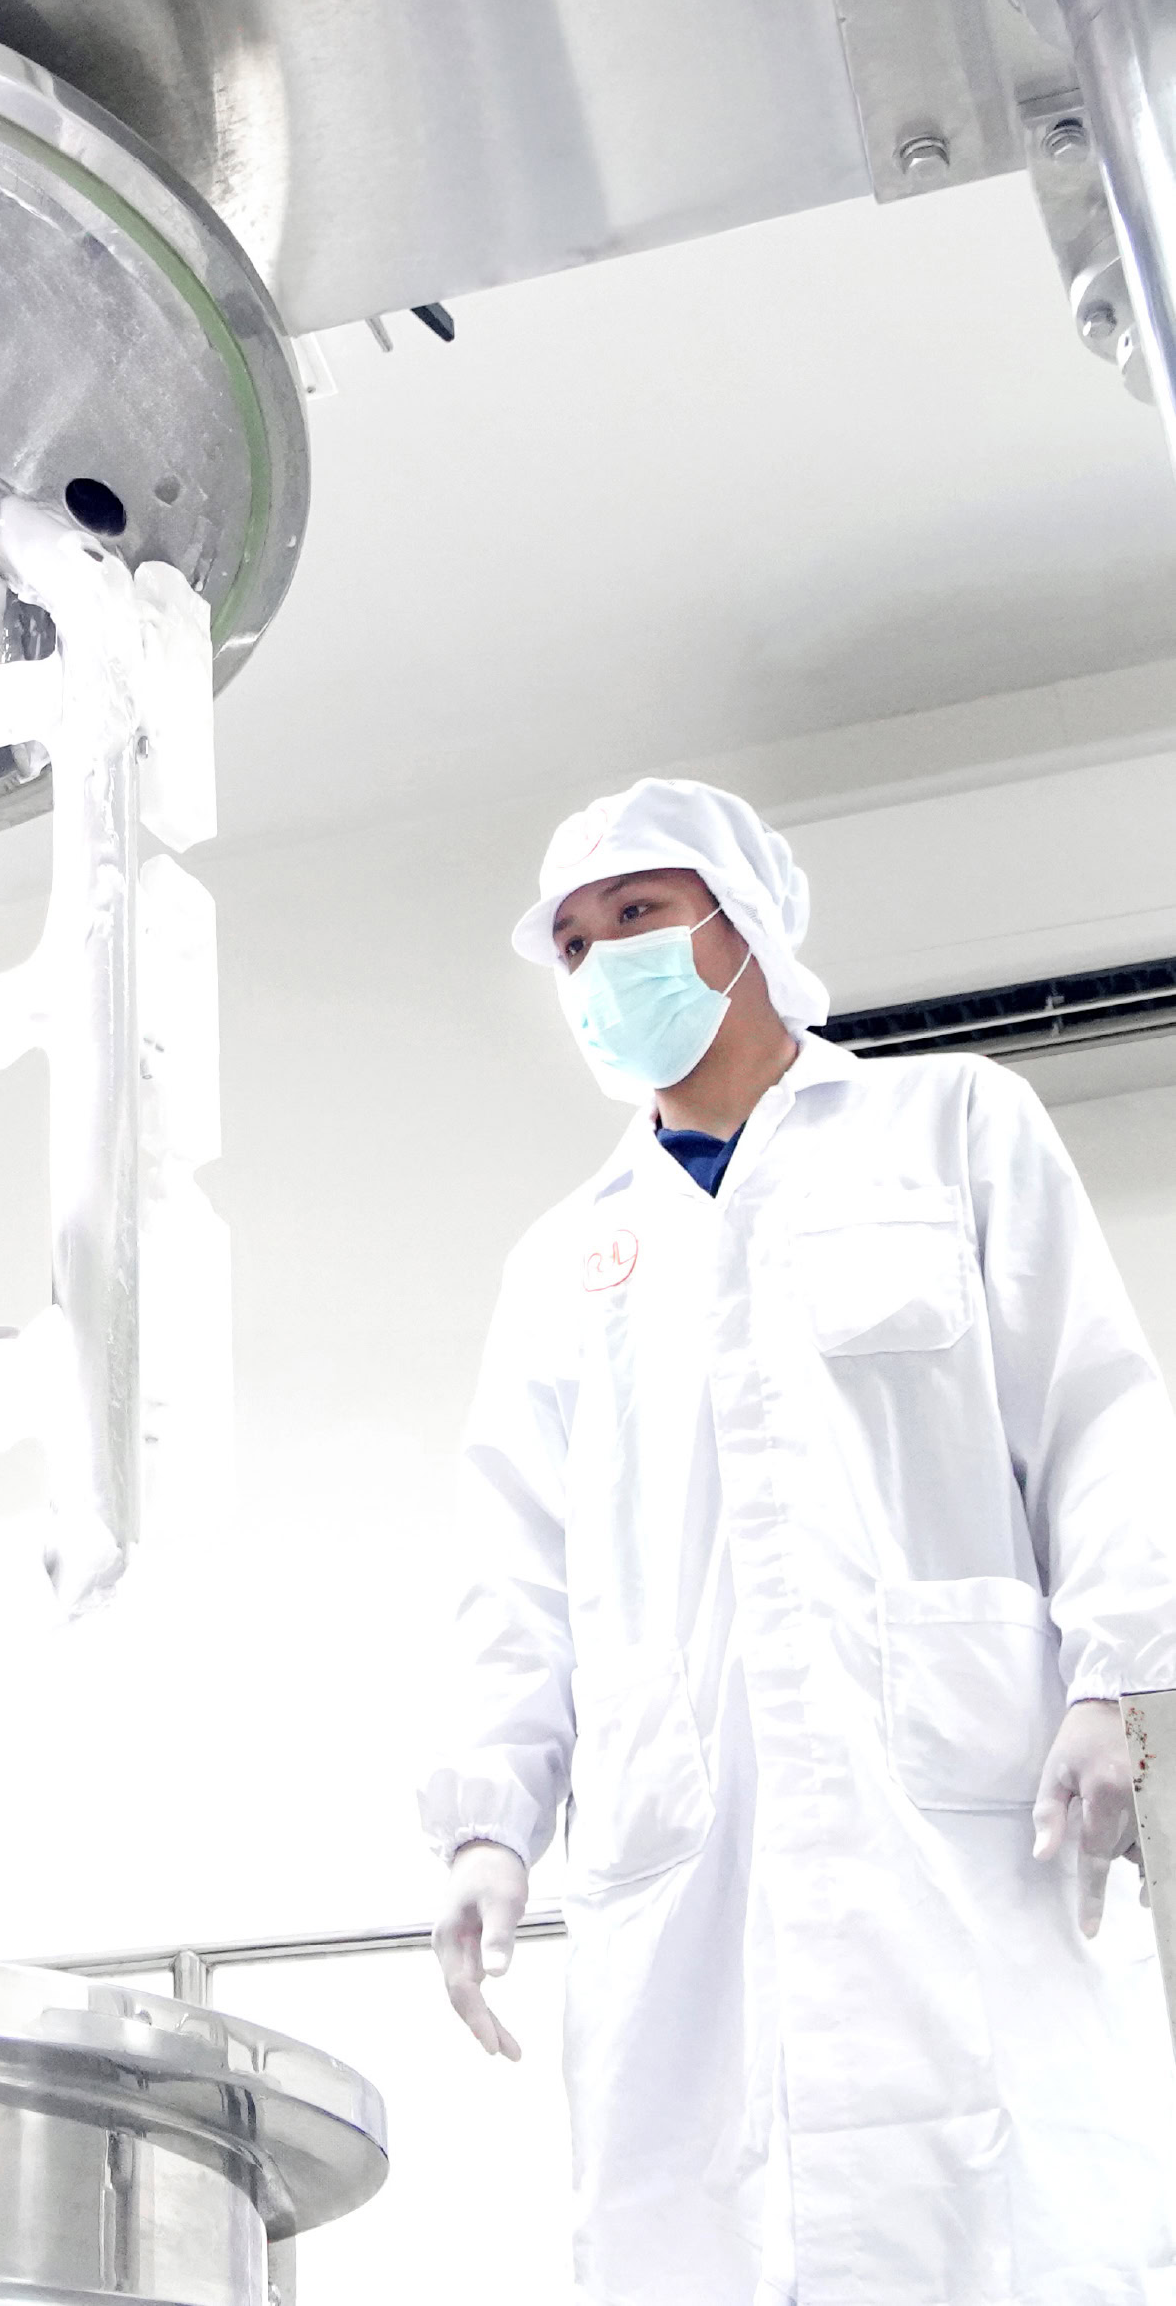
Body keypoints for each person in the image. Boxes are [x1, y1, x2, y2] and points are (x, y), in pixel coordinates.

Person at [419, 777, 1176, 2306]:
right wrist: (490, 1822)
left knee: (1008, 2220)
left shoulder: (953, 1128)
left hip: (961, 1824)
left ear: (743, 921)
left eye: (637, 913)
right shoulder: (565, 1262)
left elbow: (1096, 1410)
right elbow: (514, 1571)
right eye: (572, 944)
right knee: (709, 2229)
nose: (603, 962)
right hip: (688, 1864)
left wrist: (1116, 1680)